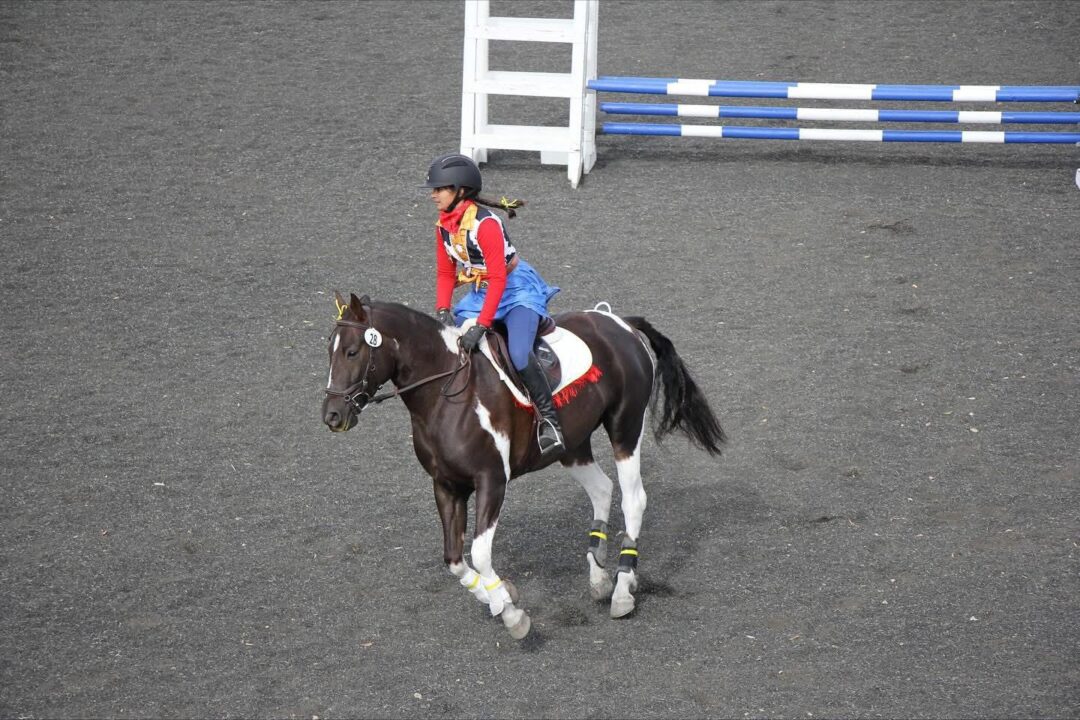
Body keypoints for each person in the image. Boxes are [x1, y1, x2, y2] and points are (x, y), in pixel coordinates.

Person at [423, 152, 565, 459]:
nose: (433, 194)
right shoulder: (443, 226)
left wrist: (483, 325)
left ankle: (549, 421)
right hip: (481, 291)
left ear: (460, 191)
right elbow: (445, 272)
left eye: (440, 188)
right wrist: (443, 310)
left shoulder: (486, 225)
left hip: (515, 290)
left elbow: (499, 279)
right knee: (449, 342)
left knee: (519, 353)